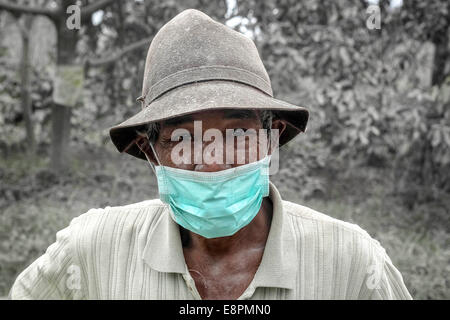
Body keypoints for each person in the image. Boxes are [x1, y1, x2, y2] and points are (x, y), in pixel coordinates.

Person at [10, 9, 412, 300]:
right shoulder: (93, 249)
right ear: (152, 152)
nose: (215, 160)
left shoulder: (352, 266)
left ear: (271, 140)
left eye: (238, 132)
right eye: (183, 136)